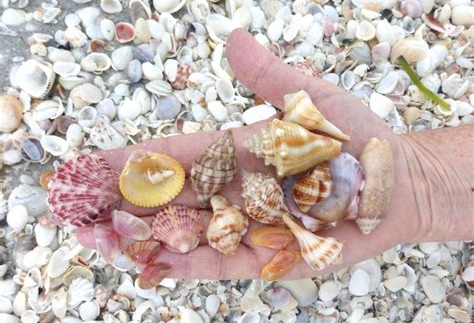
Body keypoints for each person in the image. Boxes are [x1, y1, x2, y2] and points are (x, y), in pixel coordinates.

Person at [77, 29, 473, 280]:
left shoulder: (318, 165)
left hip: (288, 186)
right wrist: (425, 186)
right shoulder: (294, 181)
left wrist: (422, 187)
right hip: (280, 190)